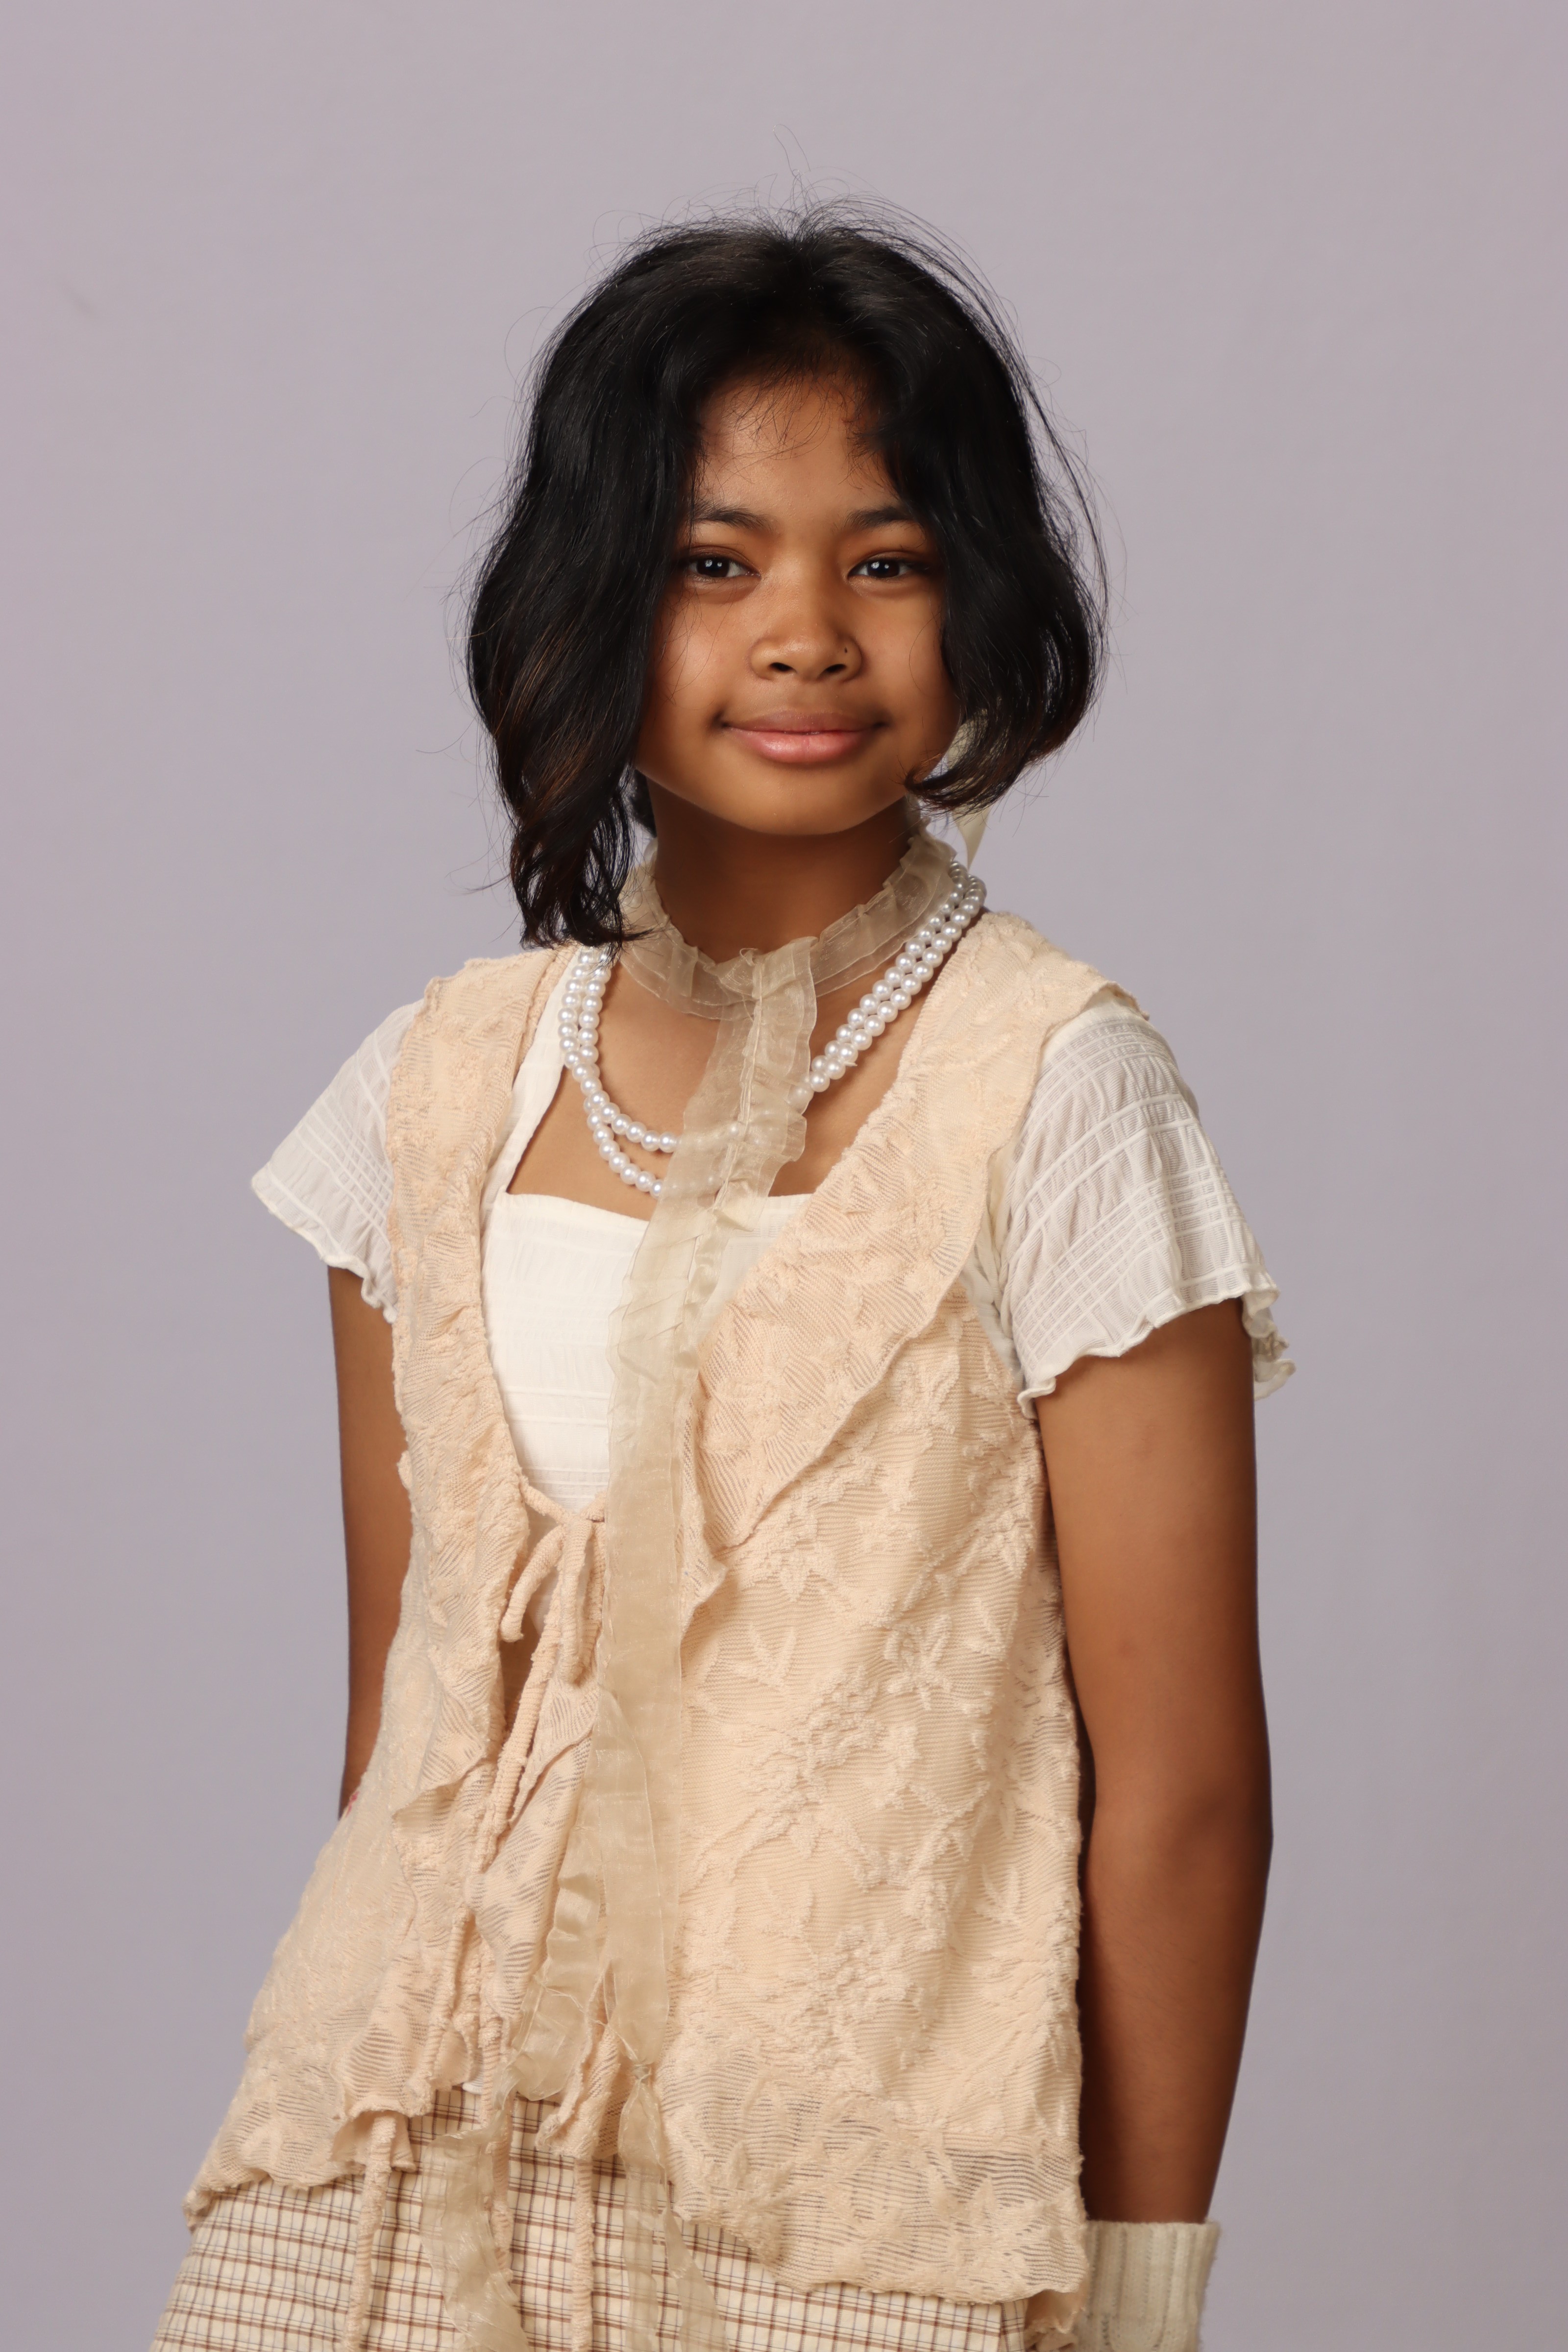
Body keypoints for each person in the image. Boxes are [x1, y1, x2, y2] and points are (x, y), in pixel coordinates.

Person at [153, 207, 1287, 2352]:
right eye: (712, 561)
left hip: (849, 2230)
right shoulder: (438, 1087)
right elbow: (404, 1712)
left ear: (979, 600)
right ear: (592, 596)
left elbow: (1184, 1791)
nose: (805, 636)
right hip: (388, 2200)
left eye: (886, 558)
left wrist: (1142, 2297)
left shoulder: (1054, 1087)